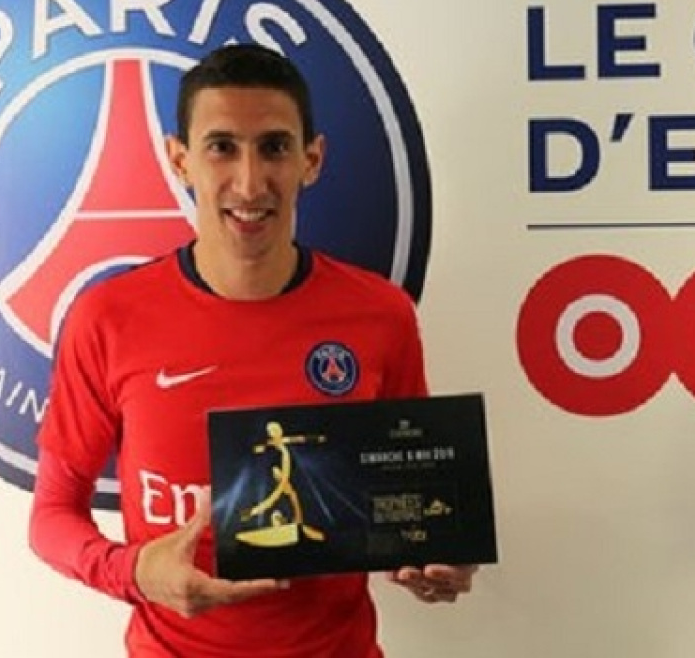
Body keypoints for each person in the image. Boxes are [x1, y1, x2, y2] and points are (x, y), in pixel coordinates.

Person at [29, 43, 478, 657]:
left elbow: (412, 497)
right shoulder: (107, 318)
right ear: (180, 159)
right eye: (221, 147)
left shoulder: (382, 315)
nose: (249, 182)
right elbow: (51, 514)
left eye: (273, 147)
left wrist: (436, 554)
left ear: (311, 160)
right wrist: (133, 571)